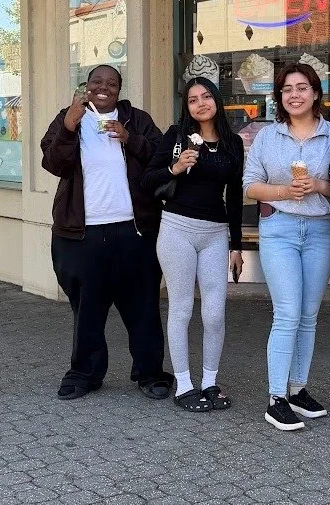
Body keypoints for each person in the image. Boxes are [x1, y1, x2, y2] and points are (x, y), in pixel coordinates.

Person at [41, 65, 174, 401]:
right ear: (86, 86)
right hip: (81, 234)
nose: (103, 87)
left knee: (143, 306)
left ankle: (150, 372)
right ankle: (85, 373)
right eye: (97, 82)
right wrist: (70, 125)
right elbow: (54, 163)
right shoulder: (68, 117)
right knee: (87, 309)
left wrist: (130, 139)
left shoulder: (136, 119)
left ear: (119, 89)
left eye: (111, 83)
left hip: (135, 231)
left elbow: (161, 158)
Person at [243, 61, 330, 432]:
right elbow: (249, 185)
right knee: (286, 313)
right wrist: (284, 191)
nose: (294, 95)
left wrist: (319, 185)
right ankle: (276, 398)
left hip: (320, 230)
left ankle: (298, 390)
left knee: (309, 316)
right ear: (280, 97)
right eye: (287, 90)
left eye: (302, 88)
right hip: (279, 229)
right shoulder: (268, 136)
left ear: (315, 93)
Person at [144, 76, 245, 412]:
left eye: (206, 96)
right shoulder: (177, 137)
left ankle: (210, 382)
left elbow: (235, 196)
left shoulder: (232, 144)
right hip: (177, 229)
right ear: (186, 106)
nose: (201, 103)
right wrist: (175, 167)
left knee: (214, 313)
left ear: (216, 99)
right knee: (182, 308)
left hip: (215, 233)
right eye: (192, 99)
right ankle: (185, 384)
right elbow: (147, 180)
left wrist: (236, 244)